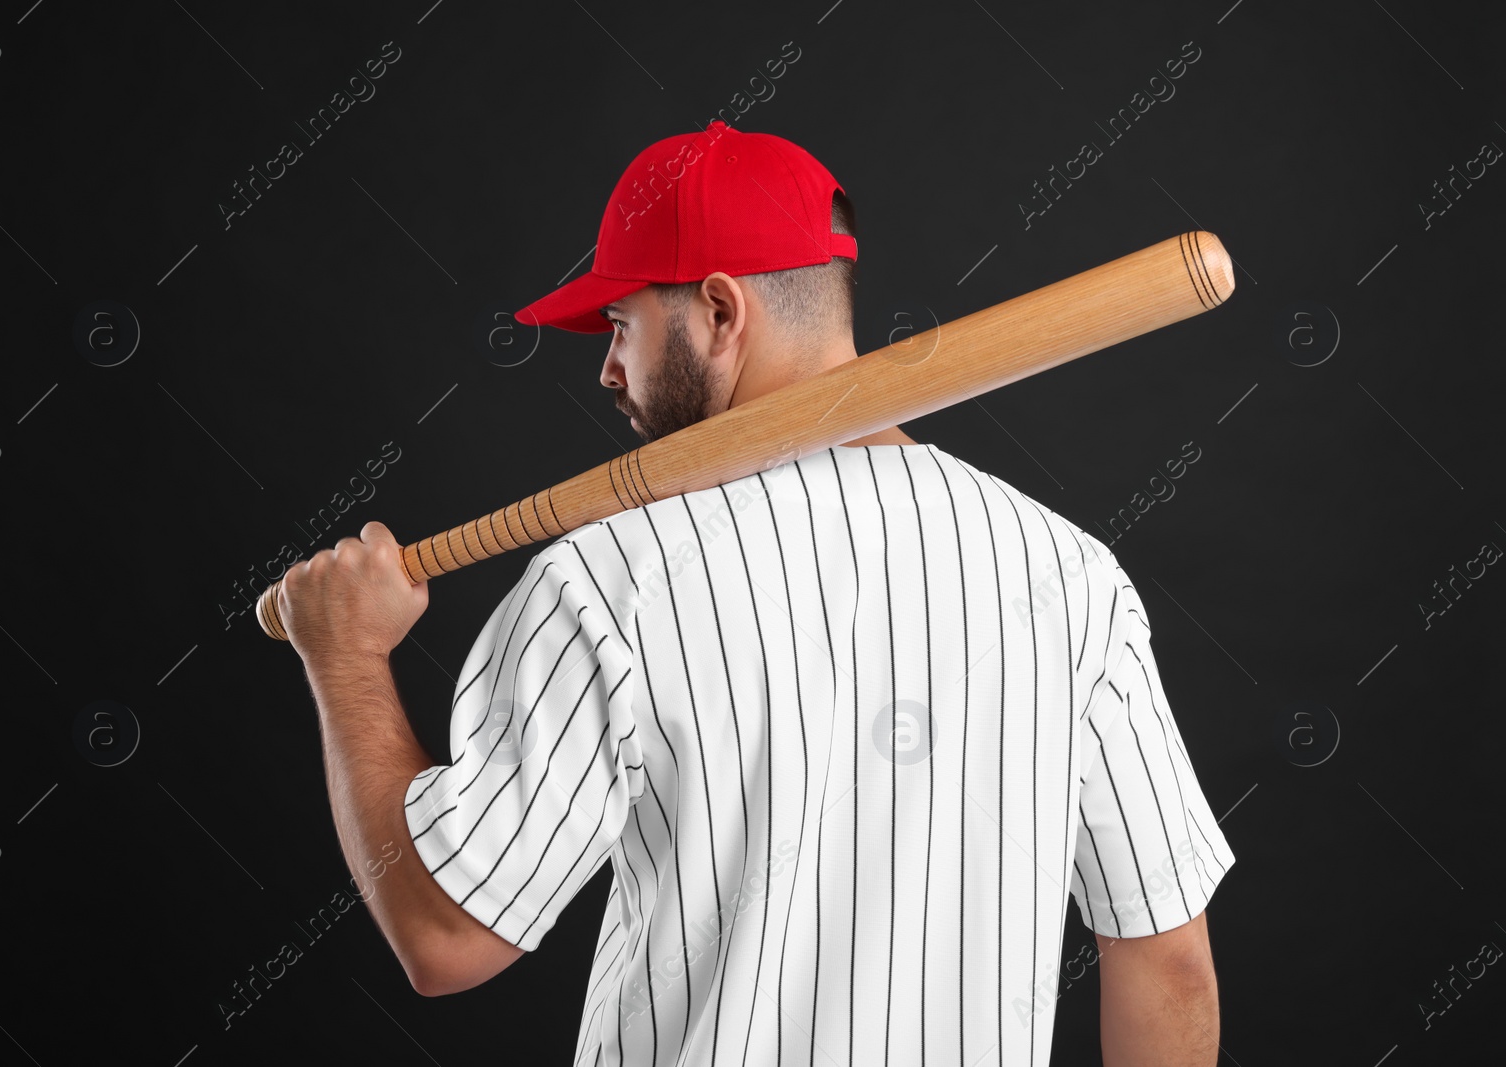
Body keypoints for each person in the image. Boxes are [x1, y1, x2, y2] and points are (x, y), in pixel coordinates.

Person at [277, 120, 1237, 1066]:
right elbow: (1170, 963)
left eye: (622, 324)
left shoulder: (608, 580)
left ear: (721, 312)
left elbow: (445, 937)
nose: (608, 368)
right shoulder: (1070, 576)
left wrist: (347, 656)